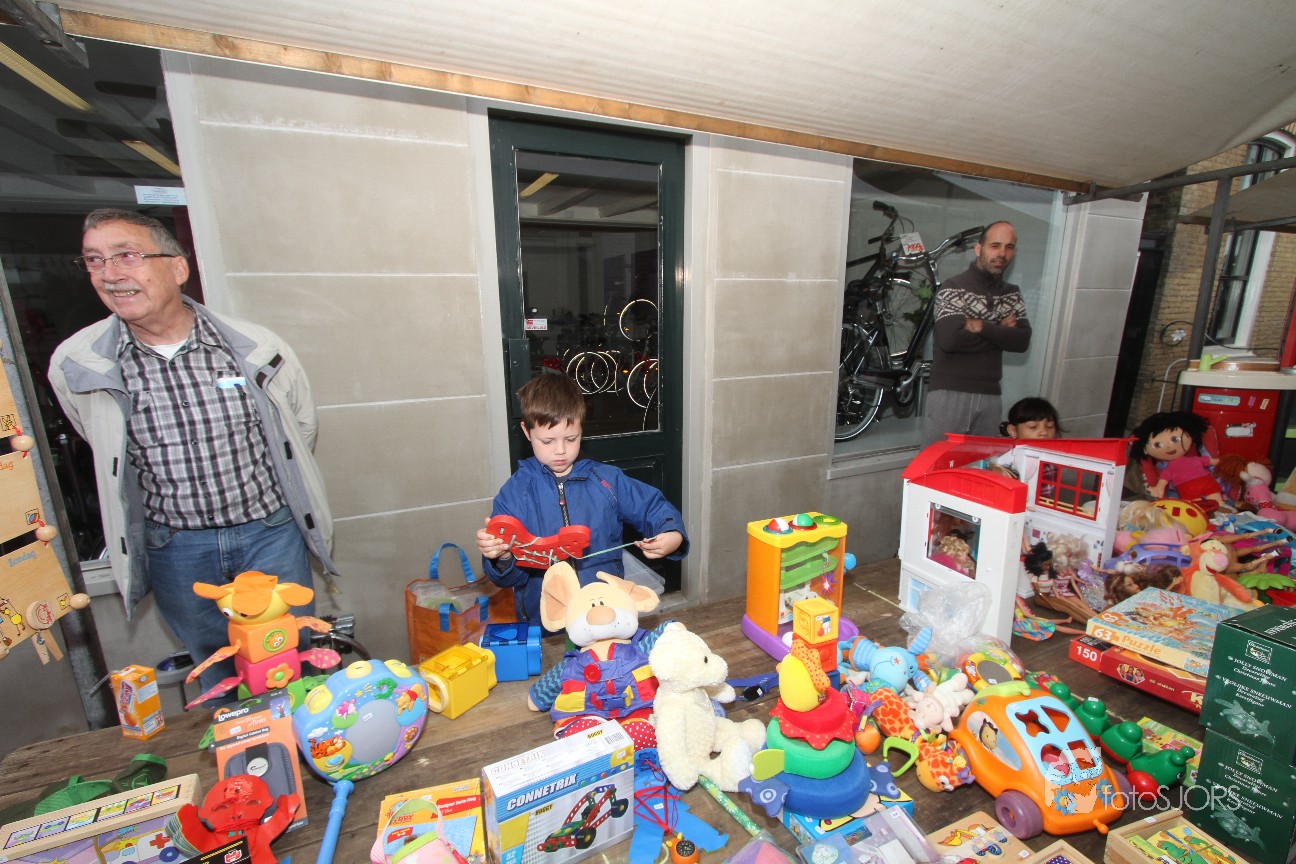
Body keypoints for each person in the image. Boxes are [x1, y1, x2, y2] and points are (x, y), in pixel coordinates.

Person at [48, 208, 338, 699]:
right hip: (177, 547)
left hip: (269, 534)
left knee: (287, 654)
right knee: (213, 663)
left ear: (177, 267)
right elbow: (104, 446)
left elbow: (299, 428)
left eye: (127, 256)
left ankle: (303, 738)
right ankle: (236, 741)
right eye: (94, 261)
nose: (110, 274)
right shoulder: (79, 363)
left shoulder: (254, 346)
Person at [476, 373, 688, 629]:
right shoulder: (513, 494)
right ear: (526, 431)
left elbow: (653, 507)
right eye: (547, 441)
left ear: (581, 430)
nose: (560, 450)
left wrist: (671, 533)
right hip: (547, 624)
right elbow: (506, 578)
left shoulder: (607, 480)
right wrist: (501, 556)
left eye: (571, 438)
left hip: (606, 617)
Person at [922, 221, 1031, 445]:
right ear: (978, 249)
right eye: (995, 245)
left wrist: (982, 326)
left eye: (1009, 247)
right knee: (937, 465)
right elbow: (950, 340)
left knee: (980, 465)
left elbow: (1021, 342)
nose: (1002, 253)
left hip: (991, 397)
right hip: (949, 393)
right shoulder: (953, 288)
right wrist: (1000, 330)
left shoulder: (1012, 294)